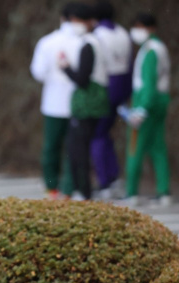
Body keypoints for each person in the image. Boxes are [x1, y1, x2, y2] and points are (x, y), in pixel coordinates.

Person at [31, 3, 82, 199]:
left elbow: (38, 72)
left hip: (52, 102)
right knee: (72, 148)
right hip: (76, 103)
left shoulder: (47, 42)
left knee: (51, 147)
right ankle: (69, 188)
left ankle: (51, 187)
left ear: (62, 18)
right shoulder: (82, 42)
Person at [60, 4, 109, 200]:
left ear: (89, 22)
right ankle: (83, 190)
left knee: (77, 149)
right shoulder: (96, 41)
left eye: (78, 21)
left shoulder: (88, 44)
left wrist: (65, 67)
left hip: (88, 105)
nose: (75, 25)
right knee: (80, 147)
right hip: (95, 103)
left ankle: (84, 191)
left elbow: (82, 79)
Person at [123, 13, 171, 206]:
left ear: (151, 28)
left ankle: (132, 192)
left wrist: (141, 109)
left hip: (147, 103)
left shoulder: (150, 51)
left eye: (140, 26)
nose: (137, 31)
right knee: (158, 148)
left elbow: (148, 83)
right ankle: (164, 191)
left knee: (135, 147)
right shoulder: (159, 47)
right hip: (160, 101)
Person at [90, 1, 133, 198]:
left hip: (106, 87)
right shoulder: (123, 33)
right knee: (106, 133)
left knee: (97, 135)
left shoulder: (97, 36)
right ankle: (113, 176)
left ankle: (104, 180)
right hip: (123, 85)